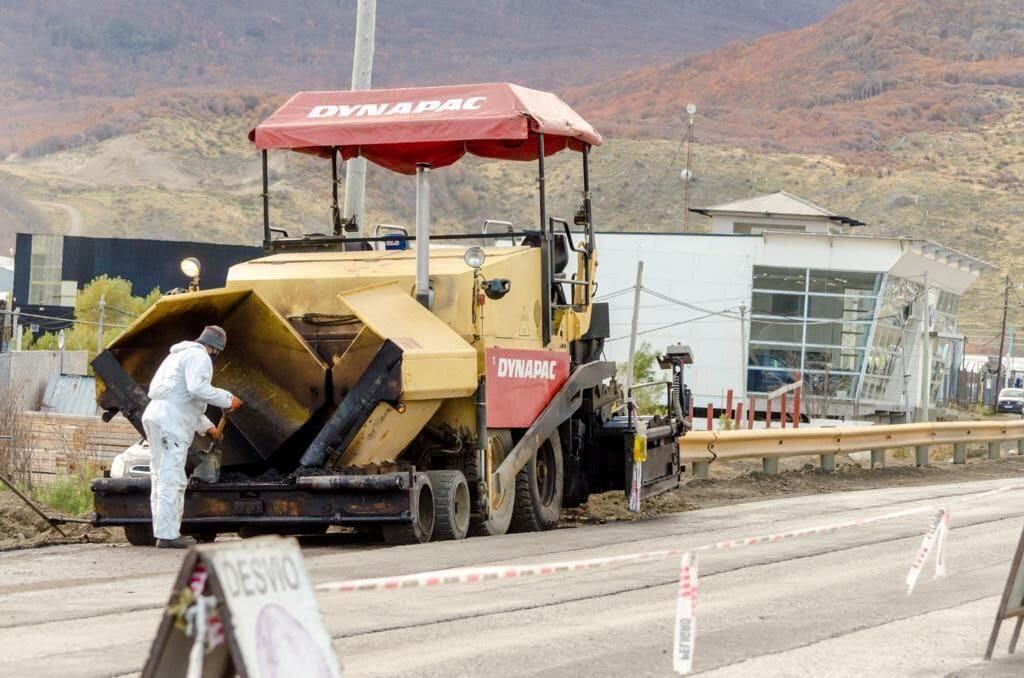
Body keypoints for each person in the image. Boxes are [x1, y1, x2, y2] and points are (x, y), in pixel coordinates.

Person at [141, 325, 242, 548]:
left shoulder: (177, 355)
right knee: (172, 478)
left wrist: (208, 428)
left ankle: (163, 532)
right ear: (216, 349)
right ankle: (168, 537)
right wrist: (228, 399)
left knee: (159, 476)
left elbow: (183, 399)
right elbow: (197, 389)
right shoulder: (200, 357)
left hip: (157, 414)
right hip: (171, 421)